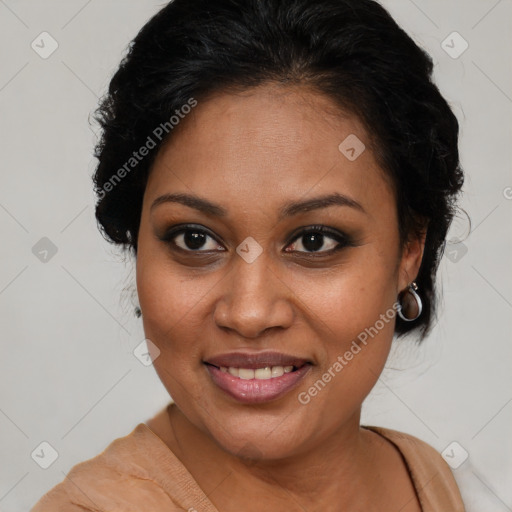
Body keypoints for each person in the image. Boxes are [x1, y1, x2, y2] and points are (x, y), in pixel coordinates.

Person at [31, 0, 466, 510]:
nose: (249, 312)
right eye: (195, 239)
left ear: (410, 248)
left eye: (314, 240)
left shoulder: (428, 475)